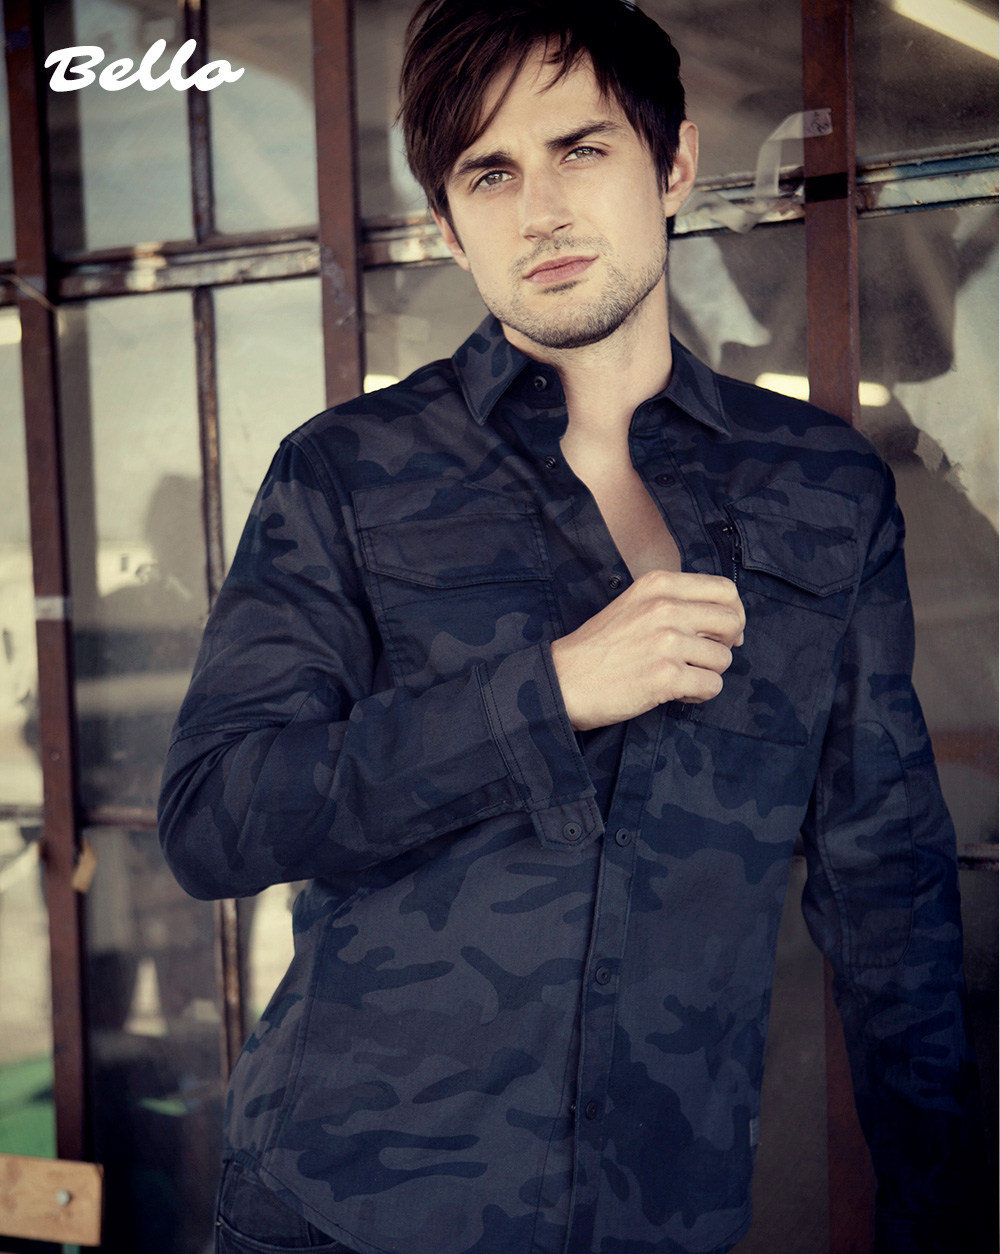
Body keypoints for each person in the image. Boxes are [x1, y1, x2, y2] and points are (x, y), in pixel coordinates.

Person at [158, 2, 982, 1252]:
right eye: (489, 174)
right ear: (449, 227)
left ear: (674, 164)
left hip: (655, 1211)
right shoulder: (347, 473)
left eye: (580, 149)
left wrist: (938, 1208)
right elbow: (214, 816)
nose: (537, 211)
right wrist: (543, 695)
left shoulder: (821, 486)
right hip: (345, 1209)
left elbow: (886, 886)